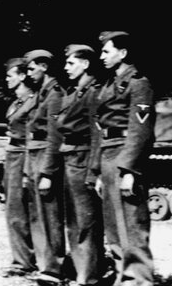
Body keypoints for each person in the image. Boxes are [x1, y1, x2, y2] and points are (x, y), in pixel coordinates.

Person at [92, 31, 155, 286]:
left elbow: (140, 130)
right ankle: (123, 276)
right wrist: (99, 171)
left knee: (131, 222)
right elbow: (101, 129)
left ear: (123, 53)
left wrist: (130, 170)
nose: (101, 56)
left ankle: (139, 279)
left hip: (124, 155)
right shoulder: (110, 84)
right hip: (108, 154)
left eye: (106, 51)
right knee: (113, 224)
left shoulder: (139, 83)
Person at [57, 44, 107, 286]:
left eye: (71, 63)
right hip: (70, 156)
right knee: (74, 221)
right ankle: (81, 272)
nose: (66, 67)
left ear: (85, 64)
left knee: (86, 221)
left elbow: (98, 134)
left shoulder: (93, 92)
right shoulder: (74, 92)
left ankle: (89, 276)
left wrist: (94, 170)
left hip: (84, 157)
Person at [23, 49, 66, 286]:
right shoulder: (41, 93)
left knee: (50, 215)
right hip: (34, 154)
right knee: (37, 214)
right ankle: (43, 264)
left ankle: (54, 269)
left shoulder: (55, 93)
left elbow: (55, 135)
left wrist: (48, 171)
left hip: (44, 155)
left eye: (32, 68)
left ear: (44, 67)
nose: (28, 73)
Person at [0, 57, 38, 278]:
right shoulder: (15, 103)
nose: (6, 79)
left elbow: (33, 137)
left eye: (10, 75)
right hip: (13, 156)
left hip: (24, 157)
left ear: (22, 76)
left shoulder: (33, 102)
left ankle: (26, 261)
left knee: (23, 211)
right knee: (14, 210)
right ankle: (21, 259)